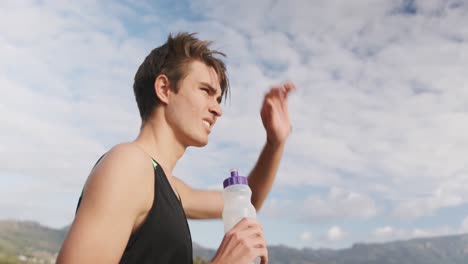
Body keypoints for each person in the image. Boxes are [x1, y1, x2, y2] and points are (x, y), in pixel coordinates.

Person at [57, 32, 295, 264]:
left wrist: (275, 143)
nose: (217, 109)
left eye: (219, 99)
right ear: (164, 89)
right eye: (206, 91)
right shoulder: (128, 165)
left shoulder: (171, 187)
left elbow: (248, 197)